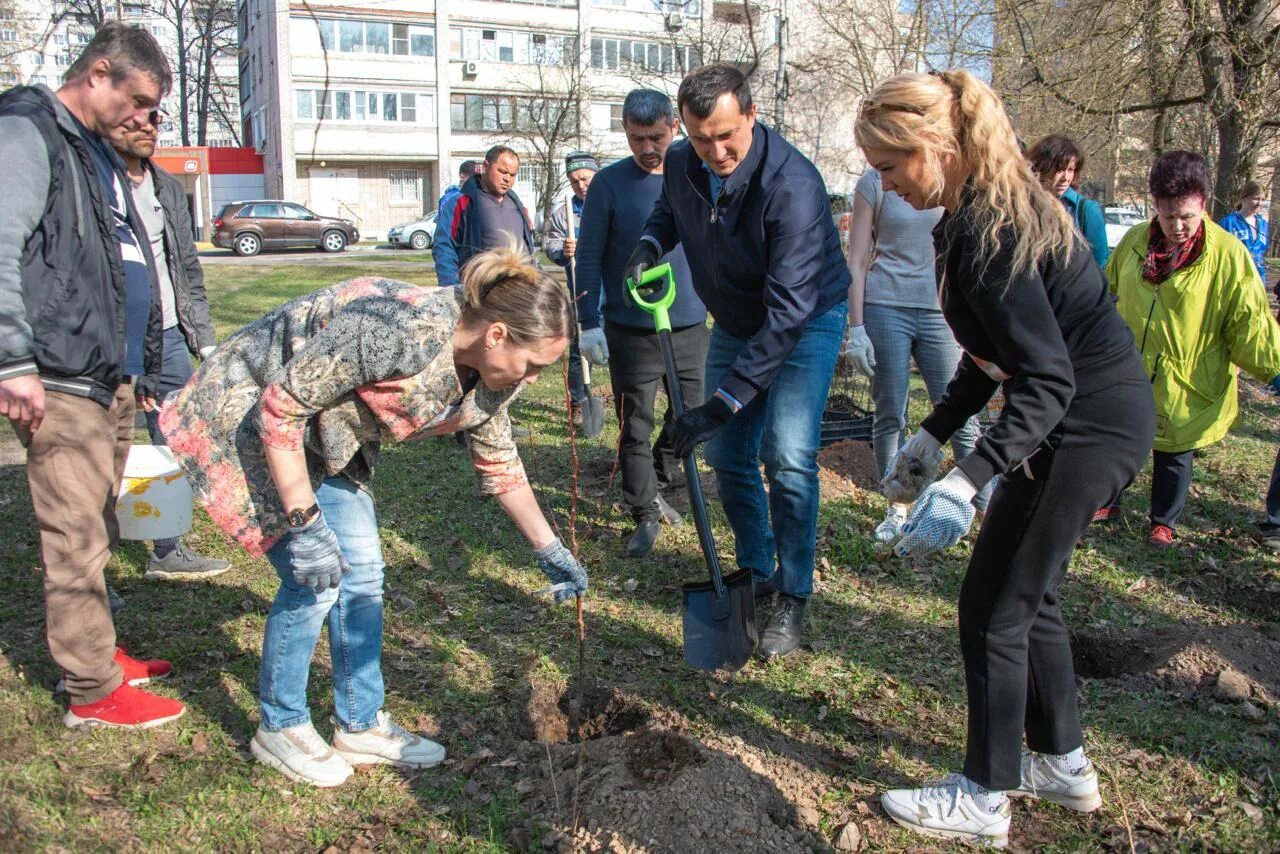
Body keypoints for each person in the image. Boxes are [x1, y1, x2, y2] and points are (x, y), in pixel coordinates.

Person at [159, 244, 589, 788]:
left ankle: (359, 723)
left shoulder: (490, 379)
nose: (533, 380)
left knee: (362, 573)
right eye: (534, 365)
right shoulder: (398, 329)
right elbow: (281, 406)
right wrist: (304, 522)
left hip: (326, 441)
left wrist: (548, 549)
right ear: (497, 334)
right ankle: (280, 724)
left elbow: (501, 463)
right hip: (251, 419)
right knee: (312, 578)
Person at [855, 69, 1155, 847]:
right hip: (1083, 415)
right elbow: (991, 356)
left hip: (1085, 422)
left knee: (993, 609)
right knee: (1031, 598)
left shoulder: (996, 232)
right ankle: (1061, 764)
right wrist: (930, 436)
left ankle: (984, 797)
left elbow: (1048, 379)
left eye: (891, 168)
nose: (884, 187)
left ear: (939, 145)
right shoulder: (967, 218)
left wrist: (966, 481)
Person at [627, 65, 849, 659]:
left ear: (751, 115)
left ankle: (793, 594)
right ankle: (757, 568)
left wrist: (723, 403)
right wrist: (649, 245)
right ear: (685, 130)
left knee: (789, 454)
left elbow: (788, 314)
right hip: (737, 318)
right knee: (727, 454)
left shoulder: (792, 186)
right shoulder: (680, 162)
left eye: (728, 135)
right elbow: (670, 214)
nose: (716, 151)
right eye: (702, 139)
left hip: (804, 321)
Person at [0, 23, 184, 729]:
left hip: (105, 373)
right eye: (135, 100)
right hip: (57, 373)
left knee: (101, 523)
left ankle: (100, 651)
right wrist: (14, 361)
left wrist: (134, 365)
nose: (142, 118)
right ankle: (91, 690)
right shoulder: (28, 133)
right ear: (98, 73)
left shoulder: (90, 153)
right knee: (72, 533)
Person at [1098, 152, 1280, 549]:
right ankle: (1108, 501)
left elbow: (1249, 320)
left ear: (1204, 204)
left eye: (1187, 217)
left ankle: (1163, 521)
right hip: (1131, 368)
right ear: (1155, 207)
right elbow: (1107, 294)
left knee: (1174, 452)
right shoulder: (1133, 243)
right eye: (1167, 217)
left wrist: (1275, 367)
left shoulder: (1228, 255)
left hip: (1189, 374)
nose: (1177, 227)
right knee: (1120, 439)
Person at [575, 89, 707, 558]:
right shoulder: (609, 185)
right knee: (636, 422)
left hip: (690, 321)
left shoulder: (694, 175)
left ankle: (660, 476)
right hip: (631, 328)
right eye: (636, 139)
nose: (647, 148)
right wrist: (587, 320)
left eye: (655, 137)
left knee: (691, 415)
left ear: (675, 125)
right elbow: (587, 256)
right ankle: (644, 511)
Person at [110, 104, 230, 581]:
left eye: (156, 118)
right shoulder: (94, 185)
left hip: (170, 336)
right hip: (111, 341)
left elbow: (186, 270)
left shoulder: (164, 187)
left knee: (174, 436)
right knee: (103, 450)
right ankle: (90, 573)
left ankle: (166, 548)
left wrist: (202, 337)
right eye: (134, 114)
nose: (146, 126)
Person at [843, 167, 990, 544]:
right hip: (886, 304)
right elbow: (857, 259)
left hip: (942, 310)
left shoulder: (950, 178)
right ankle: (897, 508)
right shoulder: (874, 183)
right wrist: (856, 327)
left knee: (961, 412)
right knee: (891, 410)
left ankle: (985, 509)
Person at [543, 150, 604, 437]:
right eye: (575, 180)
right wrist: (562, 251)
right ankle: (580, 400)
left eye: (586, 178)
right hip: (581, 290)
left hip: (613, 289)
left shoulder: (608, 200)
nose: (581, 185)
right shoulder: (563, 211)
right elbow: (550, 243)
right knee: (580, 347)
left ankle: (627, 396)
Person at [433, 146, 535, 287]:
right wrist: (452, 288)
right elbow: (444, 247)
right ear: (486, 166)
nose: (507, 179)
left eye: (513, 175)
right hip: (480, 292)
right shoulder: (460, 203)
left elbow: (529, 248)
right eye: (502, 172)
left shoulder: (517, 204)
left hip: (519, 291)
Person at [1026, 134, 1109, 267]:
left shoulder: (1086, 210)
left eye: (1070, 170)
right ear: (1041, 168)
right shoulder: (1024, 205)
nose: (1066, 177)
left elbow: (1100, 264)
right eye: (1059, 170)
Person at [1219, 180, 1270, 291]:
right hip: (1234, 279)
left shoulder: (1264, 225)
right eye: (1256, 198)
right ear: (1244, 198)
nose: (1259, 203)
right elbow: (1218, 252)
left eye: (1263, 200)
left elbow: (1262, 250)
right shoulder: (1228, 222)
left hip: (1258, 279)